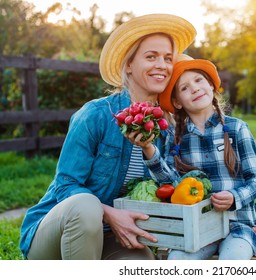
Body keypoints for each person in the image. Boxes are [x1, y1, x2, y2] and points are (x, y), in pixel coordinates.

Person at [19, 13, 197, 260]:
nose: (162, 65)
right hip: (57, 234)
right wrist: (109, 214)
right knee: (85, 205)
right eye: (151, 56)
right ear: (129, 65)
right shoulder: (95, 115)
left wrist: (243, 223)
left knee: (143, 265)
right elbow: (66, 184)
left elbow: (181, 187)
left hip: (113, 236)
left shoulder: (166, 128)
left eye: (168, 58)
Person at [132, 55, 256, 259]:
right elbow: (170, 185)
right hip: (197, 228)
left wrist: (234, 197)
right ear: (177, 102)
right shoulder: (176, 138)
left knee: (233, 259)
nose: (194, 88)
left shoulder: (237, 128)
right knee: (177, 260)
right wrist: (149, 150)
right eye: (184, 88)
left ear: (211, 86)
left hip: (239, 226)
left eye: (198, 80)